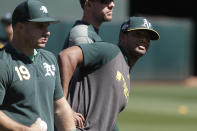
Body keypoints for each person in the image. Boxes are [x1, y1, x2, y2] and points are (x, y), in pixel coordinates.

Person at [58, 16, 160, 131]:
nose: (144, 40)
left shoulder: (126, 72)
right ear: (122, 37)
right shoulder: (110, 51)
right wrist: (63, 105)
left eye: (147, 37)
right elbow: (66, 56)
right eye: (138, 34)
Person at [0, 0, 76, 131]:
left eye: (47, 26)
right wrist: (23, 130)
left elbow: (59, 107)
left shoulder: (49, 59)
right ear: (19, 27)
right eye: (40, 26)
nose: (47, 32)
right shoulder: (3, 63)